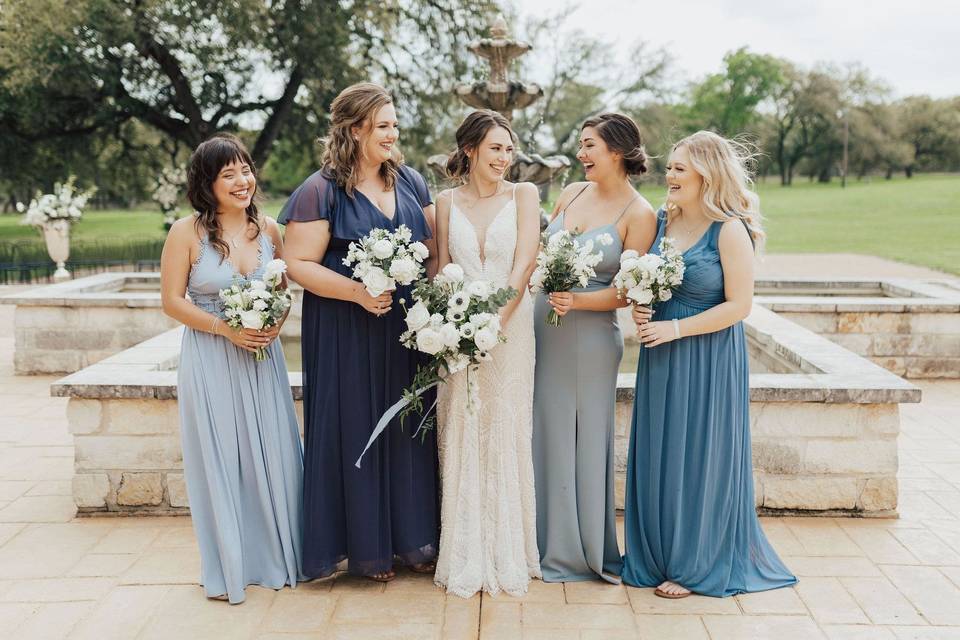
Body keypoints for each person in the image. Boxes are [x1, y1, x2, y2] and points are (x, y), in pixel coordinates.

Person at [621, 130, 797, 598]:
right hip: (661, 354)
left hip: (708, 357)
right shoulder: (663, 221)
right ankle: (656, 554)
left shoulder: (729, 229)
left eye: (680, 168)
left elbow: (740, 306)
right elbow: (650, 284)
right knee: (661, 451)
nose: (670, 175)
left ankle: (696, 563)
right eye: (671, 167)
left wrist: (676, 329)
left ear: (707, 174)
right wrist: (642, 307)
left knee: (699, 454)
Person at [279, 82, 439, 582]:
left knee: (408, 426)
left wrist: (440, 314)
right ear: (354, 130)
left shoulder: (410, 181)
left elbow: (433, 250)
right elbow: (297, 262)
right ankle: (366, 548)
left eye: (395, 124)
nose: (394, 133)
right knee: (357, 426)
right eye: (383, 125)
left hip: (408, 327)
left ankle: (412, 541)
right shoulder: (320, 190)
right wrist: (357, 293)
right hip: (348, 326)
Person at [159, 133, 304, 604]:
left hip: (262, 359)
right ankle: (232, 565)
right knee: (222, 458)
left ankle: (280, 557)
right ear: (208, 183)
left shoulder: (269, 229)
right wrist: (226, 329)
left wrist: (270, 326)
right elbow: (172, 302)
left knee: (275, 454)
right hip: (211, 358)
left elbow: (283, 293)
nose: (243, 181)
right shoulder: (185, 233)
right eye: (229, 175)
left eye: (245, 170)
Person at [532, 113, 657, 583]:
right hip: (545, 330)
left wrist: (577, 300)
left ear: (618, 151)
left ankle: (577, 549)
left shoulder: (640, 214)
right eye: (580, 145)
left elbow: (629, 290)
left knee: (583, 439)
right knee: (545, 429)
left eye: (589, 146)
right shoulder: (571, 194)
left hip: (591, 339)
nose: (581, 154)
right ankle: (540, 539)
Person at [432, 109, 542, 597]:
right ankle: (463, 549)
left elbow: (523, 264)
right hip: (457, 335)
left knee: (504, 423)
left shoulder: (524, 194)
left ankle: (507, 550)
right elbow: (439, 269)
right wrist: (447, 326)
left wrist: (495, 322)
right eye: (496, 148)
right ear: (471, 149)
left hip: (511, 330)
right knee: (462, 425)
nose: (505, 157)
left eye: (509, 149)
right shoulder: (443, 202)